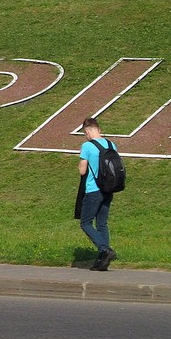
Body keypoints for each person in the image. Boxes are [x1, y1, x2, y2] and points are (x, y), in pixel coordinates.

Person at [77, 116, 116, 271]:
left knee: (85, 223)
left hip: (93, 190)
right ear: (98, 129)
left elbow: (82, 170)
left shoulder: (87, 146)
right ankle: (103, 261)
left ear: (87, 132)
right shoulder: (111, 144)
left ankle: (104, 249)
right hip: (109, 189)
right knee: (102, 223)